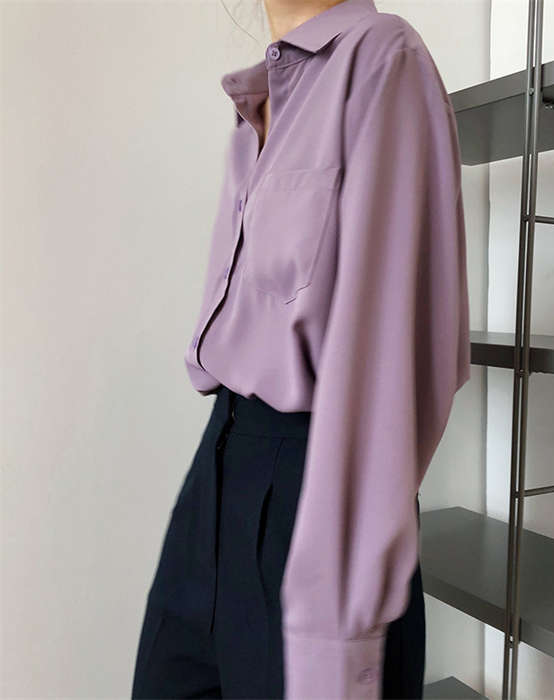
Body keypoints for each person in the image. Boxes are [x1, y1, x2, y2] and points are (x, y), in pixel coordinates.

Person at [131, 0, 470, 697]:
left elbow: (386, 364)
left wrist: (340, 624)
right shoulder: (260, 102)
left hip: (315, 485)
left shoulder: (384, 57)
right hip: (217, 475)